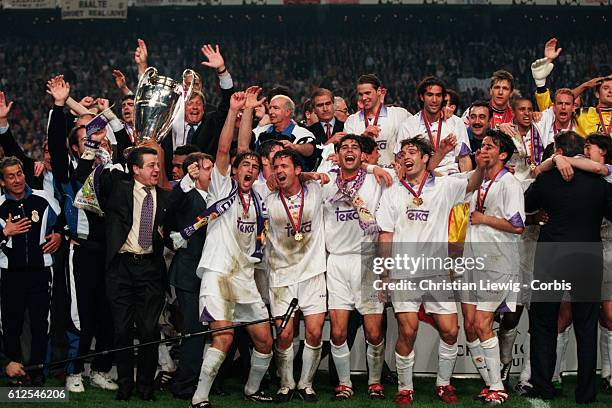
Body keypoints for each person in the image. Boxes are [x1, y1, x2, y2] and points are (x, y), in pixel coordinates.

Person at [376, 137, 484, 405]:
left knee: (450, 330)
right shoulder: (392, 193)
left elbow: (472, 183)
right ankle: (405, 388)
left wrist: (480, 167)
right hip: (404, 273)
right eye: (403, 154)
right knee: (408, 331)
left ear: (426, 158)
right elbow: (386, 235)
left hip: (436, 271)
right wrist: (385, 273)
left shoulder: (444, 186)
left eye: (413, 152)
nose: (406, 157)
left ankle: (443, 384)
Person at [77, 142, 170, 401]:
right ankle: (125, 385)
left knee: (150, 331)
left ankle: (146, 387)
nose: (156, 170)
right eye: (151, 165)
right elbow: (82, 178)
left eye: (158, 165)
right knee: (122, 330)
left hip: (151, 269)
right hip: (121, 269)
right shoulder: (119, 189)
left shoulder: (165, 197)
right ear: (135, 170)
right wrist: (92, 148)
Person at [525, 131, 612, 403]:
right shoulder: (599, 184)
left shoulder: (547, 179)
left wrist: (538, 214)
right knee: (586, 326)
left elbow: (525, 206)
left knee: (543, 323)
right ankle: (586, 392)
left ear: (558, 151)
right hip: (588, 256)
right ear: (582, 153)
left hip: (551, 256)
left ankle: (542, 386)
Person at [321, 135, 390, 400]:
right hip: (337, 260)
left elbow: (401, 173)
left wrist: (374, 168)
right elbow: (304, 178)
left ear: (363, 155)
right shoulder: (327, 182)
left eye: (355, 148)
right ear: (336, 155)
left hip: (367, 259)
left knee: (373, 331)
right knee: (338, 331)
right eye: (344, 148)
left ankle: (374, 382)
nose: (349, 152)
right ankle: (345, 384)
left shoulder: (376, 180)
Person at [463, 129, 526, 405]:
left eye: (490, 147)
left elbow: (517, 225)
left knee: (481, 323)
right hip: (480, 260)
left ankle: (497, 386)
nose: (483, 149)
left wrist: (483, 219)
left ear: (502, 155)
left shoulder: (509, 183)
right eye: (482, 145)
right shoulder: (481, 181)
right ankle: (494, 383)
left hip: (500, 261)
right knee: (477, 325)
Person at [264, 149, 329, 402]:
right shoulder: (267, 196)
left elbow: (332, 177)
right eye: (275, 166)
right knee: (284, 334)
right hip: (281, 274)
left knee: (313, 332)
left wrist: (311, 176)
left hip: (313, 272)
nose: (279, 171)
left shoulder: (315, 190)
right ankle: (286, 384)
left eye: (285, 166)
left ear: (297, 170)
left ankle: (306, 384)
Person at [0, 156, 61, 386]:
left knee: (39, 324)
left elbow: (62, 222)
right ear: (2, 182)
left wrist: (59, 236)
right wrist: (6, 232)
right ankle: (14, 373)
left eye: (19, 174)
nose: (17, 180)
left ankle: (36, 373)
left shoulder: (43, 198)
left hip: (40, 272)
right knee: (11, 324)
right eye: (10, 176)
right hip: (10, 274)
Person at [163, 152, 213, 400]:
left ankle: (212, 379)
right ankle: (184, 385)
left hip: (215, 273)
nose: (211, 172)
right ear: (194, 173)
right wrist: (185, 181)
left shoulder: (220, 197)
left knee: (221, 330)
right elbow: (169, 208)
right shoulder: (187, 196)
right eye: (206, 168)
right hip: (189, 274)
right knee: (194, 331)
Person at [396, 76, 471, 175]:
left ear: (443, 98)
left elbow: (464, 158)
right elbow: (400, 159)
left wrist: (467, 184)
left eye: (438, 95)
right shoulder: (408, 125)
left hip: (450, 177)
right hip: (420, 178)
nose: (434, 100)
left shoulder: (456, 122)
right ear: (422, 97)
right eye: (430, 95)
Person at [344, 74, 410, 167]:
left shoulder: (399, 114)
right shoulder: (351, 121)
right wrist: (363, 137)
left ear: (379, 91)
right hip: (363, 177)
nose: (364, 98)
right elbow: (347, 153)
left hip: (392, 175)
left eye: (367, 93)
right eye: (360, 94)